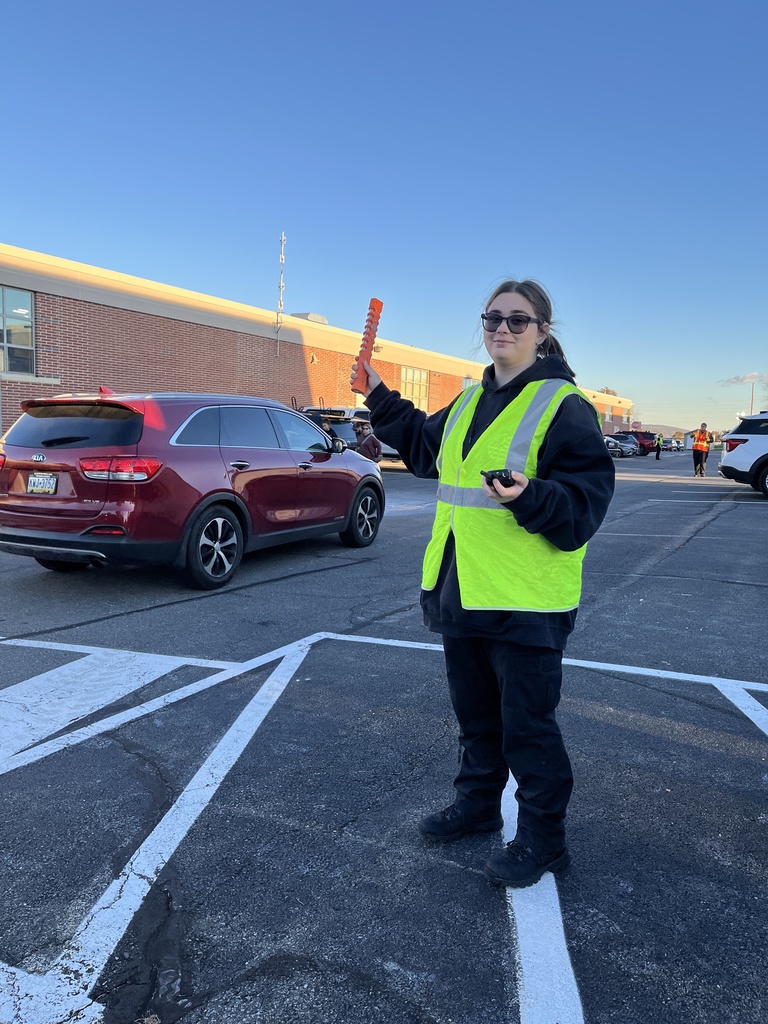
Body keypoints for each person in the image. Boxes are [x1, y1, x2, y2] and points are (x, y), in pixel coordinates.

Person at [350, 279, 615, 888]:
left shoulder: (562, 405)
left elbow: (586, 503)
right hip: (461, 588)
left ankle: (545, 840)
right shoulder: (470, 401)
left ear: (543, 333)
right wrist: (378, 394)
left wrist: (533, 496)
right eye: (493, 318)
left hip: (526, 599)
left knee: (529, 726)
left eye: (518, 321)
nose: (502, 329)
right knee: (476, 717)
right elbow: (424, 447)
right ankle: (477, 805)